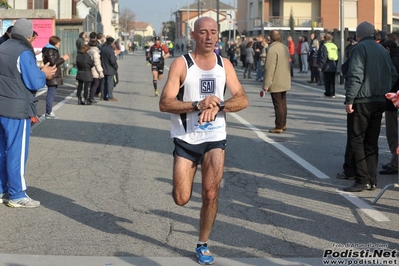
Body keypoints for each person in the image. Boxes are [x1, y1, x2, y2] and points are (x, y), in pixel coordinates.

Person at [159, 16, 248, 266]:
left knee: (210, 193)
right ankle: (183, 171)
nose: (209, 37)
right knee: (181, 198)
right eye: (203, 32)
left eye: (213, 32)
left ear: (218, 35)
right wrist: (197, 105)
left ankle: (202, 243)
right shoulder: (181, 64)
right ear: (194, 36)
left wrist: (219, 105)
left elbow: (242, 98)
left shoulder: (224, 64)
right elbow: (165, 103)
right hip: (186, 139)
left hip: (214, 137)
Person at [0, 18, 56, 208]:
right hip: (16, 109)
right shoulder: (24, 52)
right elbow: (34, 82)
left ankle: (1, 189)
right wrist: (44, 73)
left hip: (1, 106)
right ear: (29, 34)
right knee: (17, 151)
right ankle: (17, 195)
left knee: (1, 150)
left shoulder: (3, 46)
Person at [343, 21, 398, 192]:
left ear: (358, 35)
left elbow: (356, 75)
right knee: (371, 141)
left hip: (361, 100)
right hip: (379, 100)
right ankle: (372, 180)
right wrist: (383, 89)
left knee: (357, 139)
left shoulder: (359, 48)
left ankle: (361, 179)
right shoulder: (382, 49)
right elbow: (393, 73)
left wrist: (349, 99)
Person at [261, 30, 291, 134]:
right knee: (283, 103)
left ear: (271, 38)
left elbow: (270, 68)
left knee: (277, 104)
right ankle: (283, 123)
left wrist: (266, 84)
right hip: (285, 78)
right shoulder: (285, 47)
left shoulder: (272, 49)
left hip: (275, 80)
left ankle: (279, 125)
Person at [379, 39, 399, 175]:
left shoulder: (393, 61)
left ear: (387, 49)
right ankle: (394, 160)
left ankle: (396, 163)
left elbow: (390, 81)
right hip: (394, 101)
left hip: (393, 102)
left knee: (393, 134)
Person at [42, 35, 70, 118]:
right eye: (59, 42)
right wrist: (63, 58)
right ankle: (48, 112)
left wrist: (61, 58)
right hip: (52, 74)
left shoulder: (50, 49)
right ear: (55, 42)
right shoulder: (51, 50)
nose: (60, 44)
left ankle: (49, 111)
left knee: (52, 93)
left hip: (53, 74)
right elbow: (53, 63)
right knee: (51, 93)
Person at [319, 34, 338, 98]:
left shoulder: (325, 46)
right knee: (332, 80)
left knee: (327, 80)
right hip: (334, 64)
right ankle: (333, 93)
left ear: (324, 39)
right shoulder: (334, 46)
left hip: (327, 64)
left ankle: (328, 93)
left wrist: (320, 66)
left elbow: (323, 57)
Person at [101, 37, 118, 101]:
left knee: (103, 82)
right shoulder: (110, 50)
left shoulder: (103, 48)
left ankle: (103, 95)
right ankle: (110, 96)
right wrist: (115, 66)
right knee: (110, 82)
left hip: (103, 67)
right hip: (110, 68)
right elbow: (112, 60)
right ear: (112, 42)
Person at [88, 40, 104, 104]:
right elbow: (97, 63)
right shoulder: (95, 52)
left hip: (90, 69)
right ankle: (91, 98)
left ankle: (90, 97)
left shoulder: (89, 51)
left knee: (92, 84)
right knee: (96, 84)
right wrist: (100, 71)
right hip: (95, 70)